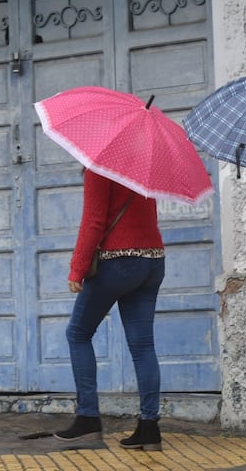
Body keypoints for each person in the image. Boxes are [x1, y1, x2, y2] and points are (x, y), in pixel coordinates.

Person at [53, 168, 166, 451]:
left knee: (78, 334)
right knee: (143, 346)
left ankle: (88, 418)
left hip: (117, 260)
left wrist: (77, 270)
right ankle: (149, 428)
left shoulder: (99, 167)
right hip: (152, 260)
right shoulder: (143, 165)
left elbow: (93, 221)